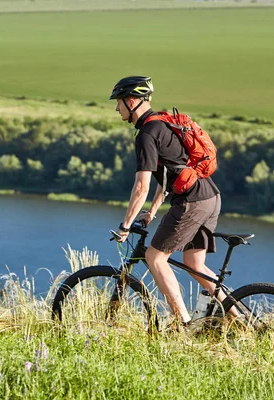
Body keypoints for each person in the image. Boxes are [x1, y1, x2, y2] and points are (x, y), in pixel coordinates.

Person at [109, 76, 223, 325]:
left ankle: (182, 323)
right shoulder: (162, 123)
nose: (116, 108)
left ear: (131, 102)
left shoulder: (146, 134)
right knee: (195, 264)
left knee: (155, 257)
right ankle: (239, 320)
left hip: (192, 201)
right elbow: (169, 174)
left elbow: (142, 185)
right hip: (210, 196)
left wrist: (125, 225)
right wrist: (152, 212)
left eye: (118, 102)